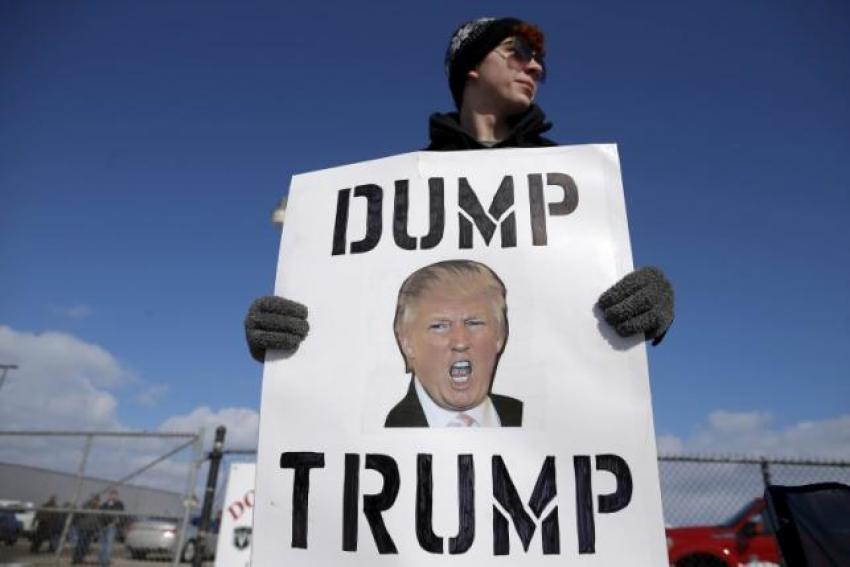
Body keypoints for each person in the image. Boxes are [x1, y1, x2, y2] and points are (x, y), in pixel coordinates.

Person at [244, 17, 674, 362]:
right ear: (471, 66)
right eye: (518, 53)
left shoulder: (571, 184)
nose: (536, 67)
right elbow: (368, 300)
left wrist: (650, 302)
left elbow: (587, 292)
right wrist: (291, 337)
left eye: (538, 59)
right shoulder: (400, 190)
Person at [386, 260, 520, 427]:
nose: (460, 342)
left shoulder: (523, 417)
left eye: (474, 323)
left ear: (500, 336)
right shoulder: (388, 428)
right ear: (407, 344)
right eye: (439, 326)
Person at [97, 489, 124, 567]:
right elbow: (100, 513)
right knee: (102, 544)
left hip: (111, 527)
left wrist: (115, 523)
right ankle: (101, 561)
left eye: (114, 495)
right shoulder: (105, 504)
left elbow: (120, 515)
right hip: (103, 526)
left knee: (108, 544)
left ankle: (105, 562)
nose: (112, 496)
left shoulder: (119, 504)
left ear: (117, 496)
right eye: (111, 495)